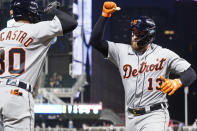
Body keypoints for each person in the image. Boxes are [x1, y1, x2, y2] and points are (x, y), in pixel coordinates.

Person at [89, 1, 196, 131]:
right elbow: (95, 41)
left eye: (139, 33)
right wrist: (104, 15)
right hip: (131, 118)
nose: (134, 36)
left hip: (154, 115)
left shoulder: (164, 54)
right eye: (133, 32)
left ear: (149, 35)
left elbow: (190, 73)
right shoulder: (121, 52)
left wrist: (177, 82)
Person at [0, 0, 77, 131]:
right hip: (17, 94)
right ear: (30, 12)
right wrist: (53, 12)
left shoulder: (1, 34)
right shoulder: (36, 30)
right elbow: (71, 22)